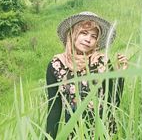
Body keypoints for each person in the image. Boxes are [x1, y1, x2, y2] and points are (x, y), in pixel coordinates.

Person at [46, 11, 128, 139]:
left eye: (93, 36)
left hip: (103, 132)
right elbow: (54, 109)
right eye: (83, 33)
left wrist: (119, 75)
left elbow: (113, 102)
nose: (88, 39)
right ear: (72, 34)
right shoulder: (56, 65)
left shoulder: (102, 62)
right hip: (74, 133)